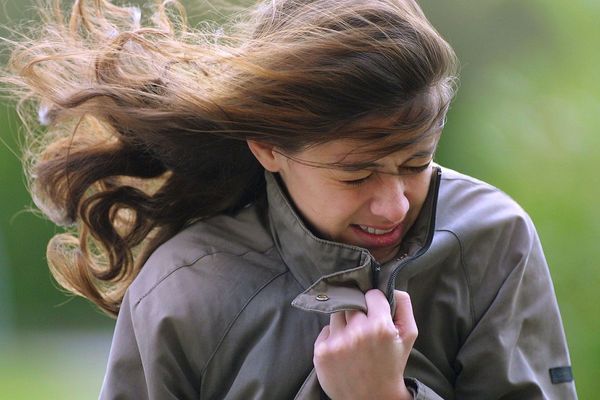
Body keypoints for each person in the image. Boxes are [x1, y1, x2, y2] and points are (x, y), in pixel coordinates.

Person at [1, 0, 577, 398]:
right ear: (269, 148)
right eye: (355, 175)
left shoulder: (493, 242)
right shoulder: (183, 290)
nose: (394, 205)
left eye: (415, 164)